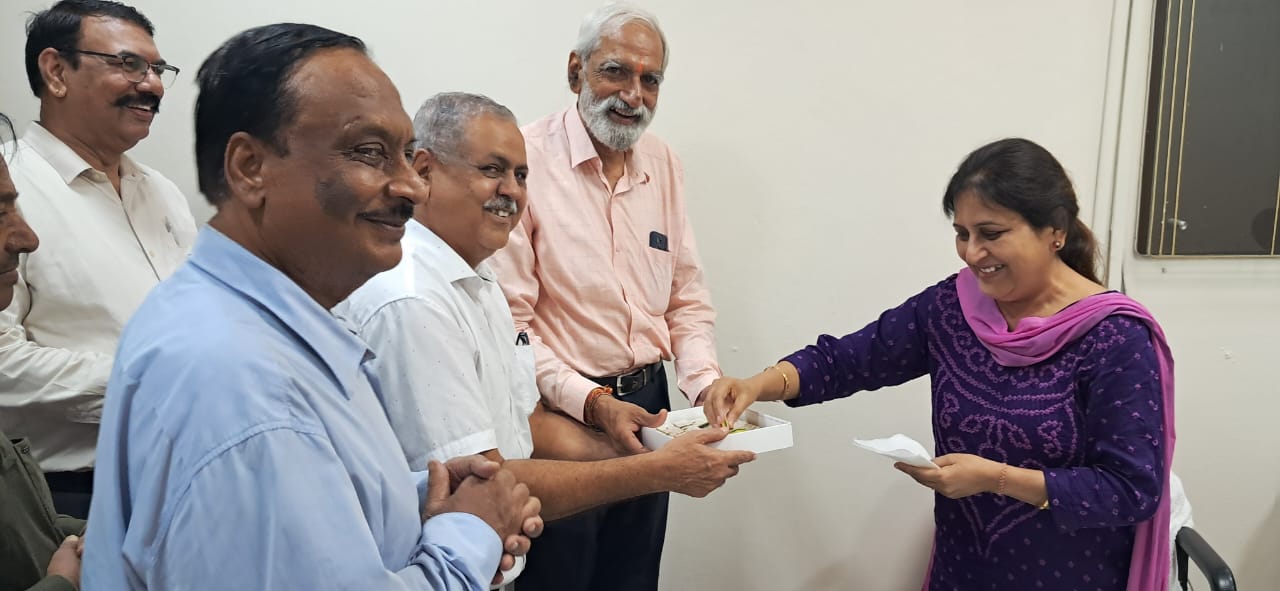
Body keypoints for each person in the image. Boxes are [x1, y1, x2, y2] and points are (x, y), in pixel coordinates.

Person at [82, 24, 542, 590]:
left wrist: (417, 495)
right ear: (250, 167)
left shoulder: (255, 325)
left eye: (405, 156)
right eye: (369, 153)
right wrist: (471, 532)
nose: (412, 187)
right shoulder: (240, 384)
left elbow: (301, 515)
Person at [703, 138, 1176, 591]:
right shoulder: (955, 307)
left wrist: (995, 478)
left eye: (991, 234)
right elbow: (847, 360)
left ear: (1055, 231)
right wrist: (757, 385)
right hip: (963, 570)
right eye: (962, 234)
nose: (972, 253)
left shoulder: (1115, 337)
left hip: (1070, 575)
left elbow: (1130, 490)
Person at [336, 92, 753, 573]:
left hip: (599, 433)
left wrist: (638, 443)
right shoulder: (414, 302)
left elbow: (518, 420)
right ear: (424, 171)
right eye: (492, 170)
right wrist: (654, 469)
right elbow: (482, 486)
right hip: (437, 567)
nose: (512, 192)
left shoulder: (479, 280)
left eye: (521, 175)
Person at [487, 4, 720, 589]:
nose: (633, 95)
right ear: (576, 71)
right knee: (559, 579)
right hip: (559, 417)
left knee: (633, 577)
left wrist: (706, 388)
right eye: (615, 71)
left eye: (650, 79)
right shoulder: (524, 162)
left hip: (652, 408)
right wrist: (592, 402)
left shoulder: (663, 163)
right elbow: (511, 328)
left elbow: (686, 297)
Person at [0, 0, 197, 519]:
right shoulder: (11, 193)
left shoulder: (162, 192)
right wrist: (156, 382)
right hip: (71, 500)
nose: (152, 86)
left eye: (157, 69)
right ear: (56, 72)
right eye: (129, 64)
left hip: (182, 478)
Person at [0, 111, 84, 591]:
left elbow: (24, 528)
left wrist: (95, 535)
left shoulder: (161, 193)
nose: (27, 238)